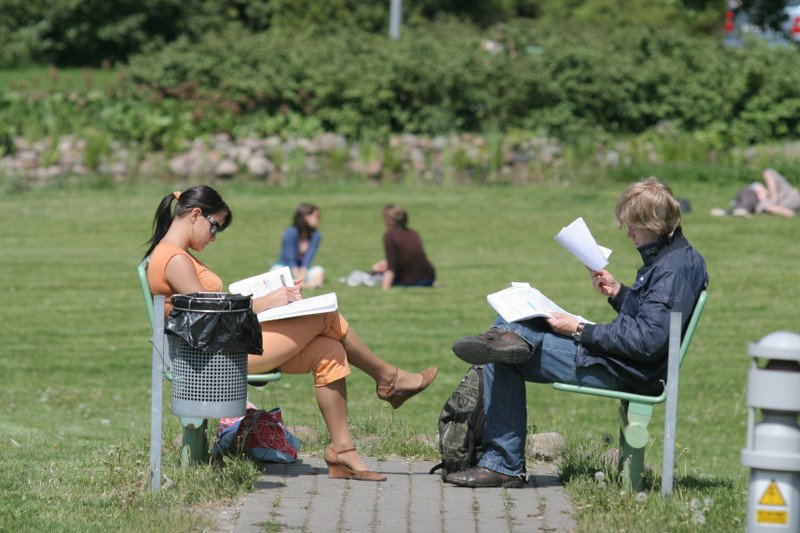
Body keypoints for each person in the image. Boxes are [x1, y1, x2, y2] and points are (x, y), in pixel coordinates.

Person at [144, 186, 437, 482]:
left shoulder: (177, 256)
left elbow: (211, 313)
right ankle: (388, 379)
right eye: (215, 225)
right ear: (196, 215)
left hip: (222, 349)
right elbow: (211, 316)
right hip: (216, 359)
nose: (214, 236)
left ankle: (343, 451)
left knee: (329, 351)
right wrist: (269, 302)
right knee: (325, 315)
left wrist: (270, 299)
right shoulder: (175, 259)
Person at [447, 177, 708, 488]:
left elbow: (646, 341)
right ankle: (506, 335)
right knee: (513, 327)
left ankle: (502, 465)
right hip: (625, 362)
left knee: (501, 358)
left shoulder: (670, 271)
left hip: (626, 370)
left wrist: (580, 329)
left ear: (652, 223)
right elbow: (650, 316)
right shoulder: (676, 258)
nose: (628, 234)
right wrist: (617, 292)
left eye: (633, 227)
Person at [375, 204, 436, 291]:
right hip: (428, 277)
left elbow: (391, 268)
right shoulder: (413, 233)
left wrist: (385, 288)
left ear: (387, 220)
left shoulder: (389, 236)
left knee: (375, 278)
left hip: (410, 280)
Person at [711, 168, 800, 217]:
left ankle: (730, 211)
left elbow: (768, 173)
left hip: (762, 199)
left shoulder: (766, 202)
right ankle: (731, 211)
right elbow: (767, 173)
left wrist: (773, 198)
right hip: (757, 197)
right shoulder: (763, 203)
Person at [274, 203, 325, 288]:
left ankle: (300, 285)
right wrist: (298, 276)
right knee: (276, 272)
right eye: (316, 217)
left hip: (303, 270)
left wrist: (302, 276)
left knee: (319, 270)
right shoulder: (290, 232)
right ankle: (307, 285)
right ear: (306, 217)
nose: (318, 220)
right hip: (286, 267)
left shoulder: (316, 235)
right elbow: (290, 259)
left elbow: (308, 259)